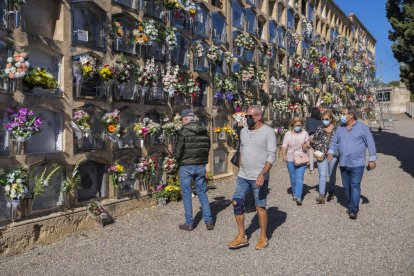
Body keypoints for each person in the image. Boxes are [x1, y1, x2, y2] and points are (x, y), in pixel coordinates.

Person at [227, 106, 276, 250]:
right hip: (243, 175)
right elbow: (242, 148)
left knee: (260, 207)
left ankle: (263, 237)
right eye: (246, 115)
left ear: (258, 117)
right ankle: (242, 236)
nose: (247, 118)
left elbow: (272, 155)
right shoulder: (243, 131)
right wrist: (240, 166)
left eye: (250, 116)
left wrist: (263, 174)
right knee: (236, 202)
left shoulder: (268, 132)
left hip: (259, 176)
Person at [327, 106, 377, 219]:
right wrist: (330, 152)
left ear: (351, 115)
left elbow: (370, 143)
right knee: (346, 186)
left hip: (357, 163)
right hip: (343, 163)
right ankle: (352, 202)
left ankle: (353, 209)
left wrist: (372, 159)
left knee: (355, 185)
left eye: (343, 114)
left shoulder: (363, 128)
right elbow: (334, 141)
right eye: (341, 114)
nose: (341, 116)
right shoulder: (340, 128)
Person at [173, 109, 214, 231]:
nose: (181, 121)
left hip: (186, 166)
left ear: (185, 119)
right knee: (202, 192)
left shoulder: (183, 131)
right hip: (200, 165)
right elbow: (208, 147)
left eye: (182, 119)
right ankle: (209, 221)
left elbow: (178, 151)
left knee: (186, 194)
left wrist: (176, 159)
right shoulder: (204, 131)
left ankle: (189, 223)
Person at [308, 110, 338, 204]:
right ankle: (321, 195)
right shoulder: (319, 128)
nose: (324, 120)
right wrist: (312, 142)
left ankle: (331, 191)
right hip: (320, 154)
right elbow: (315, 140)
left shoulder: (336, 129)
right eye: (323, 119)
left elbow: (339, 142)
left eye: (326, 119)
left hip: (333, 155)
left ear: (331, 119)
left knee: (332, 174)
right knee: (322, 174)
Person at [282, 117, 309, 205]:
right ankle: (294, 192)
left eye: (300, 125)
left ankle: (298, 197)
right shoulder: (288, 134)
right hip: (290, 158)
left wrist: (306, 145)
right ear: (293, 125)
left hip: (301, 158)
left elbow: (308, 143)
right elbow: (284, 146)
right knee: (293, 177)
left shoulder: (305, 133)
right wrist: (284, 155)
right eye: (296, 125)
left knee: (300, 178)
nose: (298, 127)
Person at [305, 107, 323, 174]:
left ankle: (311, 169)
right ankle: (320, 166)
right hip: (319, 137)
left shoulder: (309, 120)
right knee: (318, 151)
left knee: (310, 152)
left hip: (311, 136)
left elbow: (307, 129)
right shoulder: (321, 120)